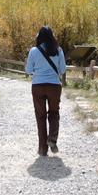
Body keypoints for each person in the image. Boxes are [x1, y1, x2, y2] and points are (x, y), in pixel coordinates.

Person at [25, 26, 67, 156]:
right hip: (54, 86)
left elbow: (28, 70)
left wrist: (37, 71)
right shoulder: (58, 50)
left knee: (40, 116)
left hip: (38, 86)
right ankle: (52, 139)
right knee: (54, 113)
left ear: (39, 37)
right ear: (52, 36)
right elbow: (62, 70)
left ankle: (43, 149)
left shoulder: (33, 51)